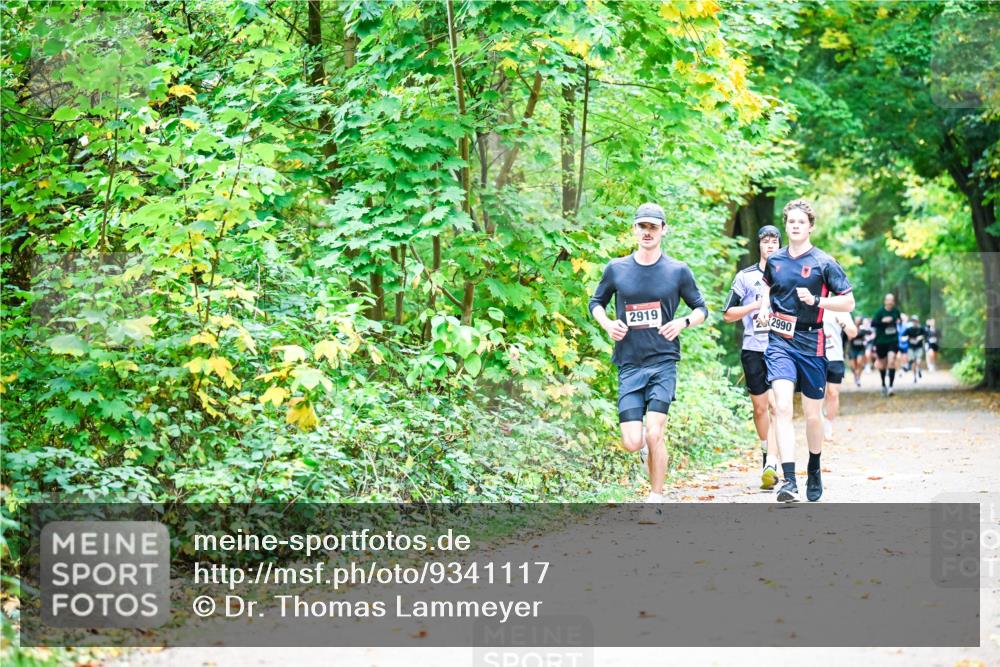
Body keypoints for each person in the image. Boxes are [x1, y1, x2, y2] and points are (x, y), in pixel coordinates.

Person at [589, 202, 709, 503]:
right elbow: (596, 303)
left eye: (653, 227)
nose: (647, 232)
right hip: (629, 363)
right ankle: (647, 450)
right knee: (633, 442)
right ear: (634, 229)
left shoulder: (677, 270)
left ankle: (655, 499)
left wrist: (681, 323)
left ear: (663, 231)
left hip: (662, 361)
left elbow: (701, 309)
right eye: (642, 226)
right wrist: (607, 324)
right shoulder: (616, 268)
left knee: (655, 432)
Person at [757, 199, 854, 503]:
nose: (796, 226)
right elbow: (766, 289)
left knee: (813, 415)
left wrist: (817, 301)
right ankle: (789, 481)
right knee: (782, 407)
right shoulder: (776, 261)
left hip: (813, 342)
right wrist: (762, 308)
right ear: (785, 225)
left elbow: (848, 303)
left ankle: (814, 466)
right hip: (780, 340)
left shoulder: (825, 262)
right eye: (791, 221)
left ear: (810, 226)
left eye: (802, 222)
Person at [723, 225, 782, 489]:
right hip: (753, 348)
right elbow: (727, 314)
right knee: (760, 408)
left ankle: (774, 462)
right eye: (765, 241)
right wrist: (755, 306)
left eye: (774, 241)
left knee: (776, 406)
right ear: (759, 245)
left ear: (780, 245)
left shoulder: (787, 275)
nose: (770, 245)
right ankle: (766, 451)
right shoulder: (745, 277)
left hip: (781, 348)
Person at [822, 309, 858, 440]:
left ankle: (828, 424)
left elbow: (853, 333)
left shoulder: (839, 308)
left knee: (832, 393)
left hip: (835, 356)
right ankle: (817, 422)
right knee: (818, 393)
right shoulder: (809, 303)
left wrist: (842, 323)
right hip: (815, 357)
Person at [872, 294, 902, 396]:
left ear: (893, 302)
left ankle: (891, 387)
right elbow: (873, 324)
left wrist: (899, 321)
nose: (890, 302)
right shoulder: (880, 312)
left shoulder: (896, 311)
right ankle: (883, 384)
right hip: (881, 341)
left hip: (893, 340)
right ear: (885, 301)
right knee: (883, 365)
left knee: (891, 361)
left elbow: (899, 320)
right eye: (888, 300)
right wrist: (882, 321)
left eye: (892, 300)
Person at [848, 316, 869, 386]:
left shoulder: (863, 329)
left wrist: (866, 339)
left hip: (860, 349)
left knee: (859, 362)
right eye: (856, 320)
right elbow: (849, 338)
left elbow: (870, 333)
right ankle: (856, 376)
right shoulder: (850, 329)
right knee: (853, 366)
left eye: (859, 320)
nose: (857, 321)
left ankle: (858, 378)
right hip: (852, 349)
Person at [905, 315, 926, 382]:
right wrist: (908, 338)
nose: (914, 322)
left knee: (918, 360)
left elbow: (926, 335)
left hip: (919, 347)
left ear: (918, 321)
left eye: (915, 321)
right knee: (913, 362)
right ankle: (915, 377)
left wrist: (921, 337)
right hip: (911, 347)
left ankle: (919, 369)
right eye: (913, 321)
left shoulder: (921, 329)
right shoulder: (908, 329)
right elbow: (902, 337)